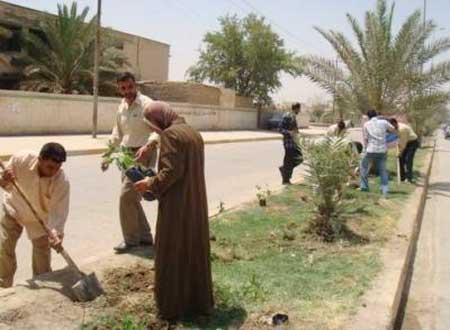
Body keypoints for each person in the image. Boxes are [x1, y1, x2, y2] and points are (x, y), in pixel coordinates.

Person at [133, 101, 214, 321]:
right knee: (192, 250)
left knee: (171, 252)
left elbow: (170, 173)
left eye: (151, 125)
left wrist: (149, 184)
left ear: (159, 119)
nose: (152, 130)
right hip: (194, 202)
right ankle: (198, 303)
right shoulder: (193, 132)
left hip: (177, 206)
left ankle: (171, 309)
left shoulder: (170, 135)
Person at [101, 72, 159, 254]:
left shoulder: (147, 104)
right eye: (123, 88)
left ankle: (131, 240)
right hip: (125, 156)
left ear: (136, 86)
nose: (127, 91)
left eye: (130, 87)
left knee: (126, 197)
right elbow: (117, 133)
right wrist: (107, 155)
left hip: (143, 154)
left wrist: (149, 145)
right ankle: (145, 236)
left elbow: (158, 128)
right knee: (133, 198)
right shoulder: (122, 106)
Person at [0, 143, 70, 288]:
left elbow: (59, 211)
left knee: (42, 261)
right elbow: (4, 184)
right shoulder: (21, 159)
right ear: (40, 159)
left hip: (40, 219)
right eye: (50, 167)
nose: (53, 172)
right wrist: (5, 179)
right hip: (14, 208)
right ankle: (3, 286)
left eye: (57, 168)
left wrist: (56, 233)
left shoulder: (61, 181)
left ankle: (43, 287)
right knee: (4, 248)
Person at [360, 109, 397, 197]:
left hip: (371, 149)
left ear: (368, 116)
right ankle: (384, 190)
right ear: (376, 115)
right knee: (383, 170)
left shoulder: (366, 124)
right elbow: (393, 129)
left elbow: (365, 139)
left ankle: (364, 187)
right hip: (382, 150)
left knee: (363, 167)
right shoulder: (383, 122)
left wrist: (365, 149)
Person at [279, 102, 303, 185]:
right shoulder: (287, 116)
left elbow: (295, 130)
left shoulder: (293, 116)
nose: (299, 111)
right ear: (296, 108)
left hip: (294, 142)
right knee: (289, 161)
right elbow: (281, 129)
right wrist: (289, 133)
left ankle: (284, 169)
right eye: (299, 109)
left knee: (299, 159)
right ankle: (286, 180)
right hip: (288, 143)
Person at [390, 118, 419, 183]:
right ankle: (402, 177)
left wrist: (399, 152)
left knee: (408, 159)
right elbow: (399, 138)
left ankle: (409, 179)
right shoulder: (395, 128)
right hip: (406, 142)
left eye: (392, 125)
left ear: (395, 123)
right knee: (401, 159)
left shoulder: (402, 129)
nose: (391, 127)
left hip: (413, 142)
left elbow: (403, 144)